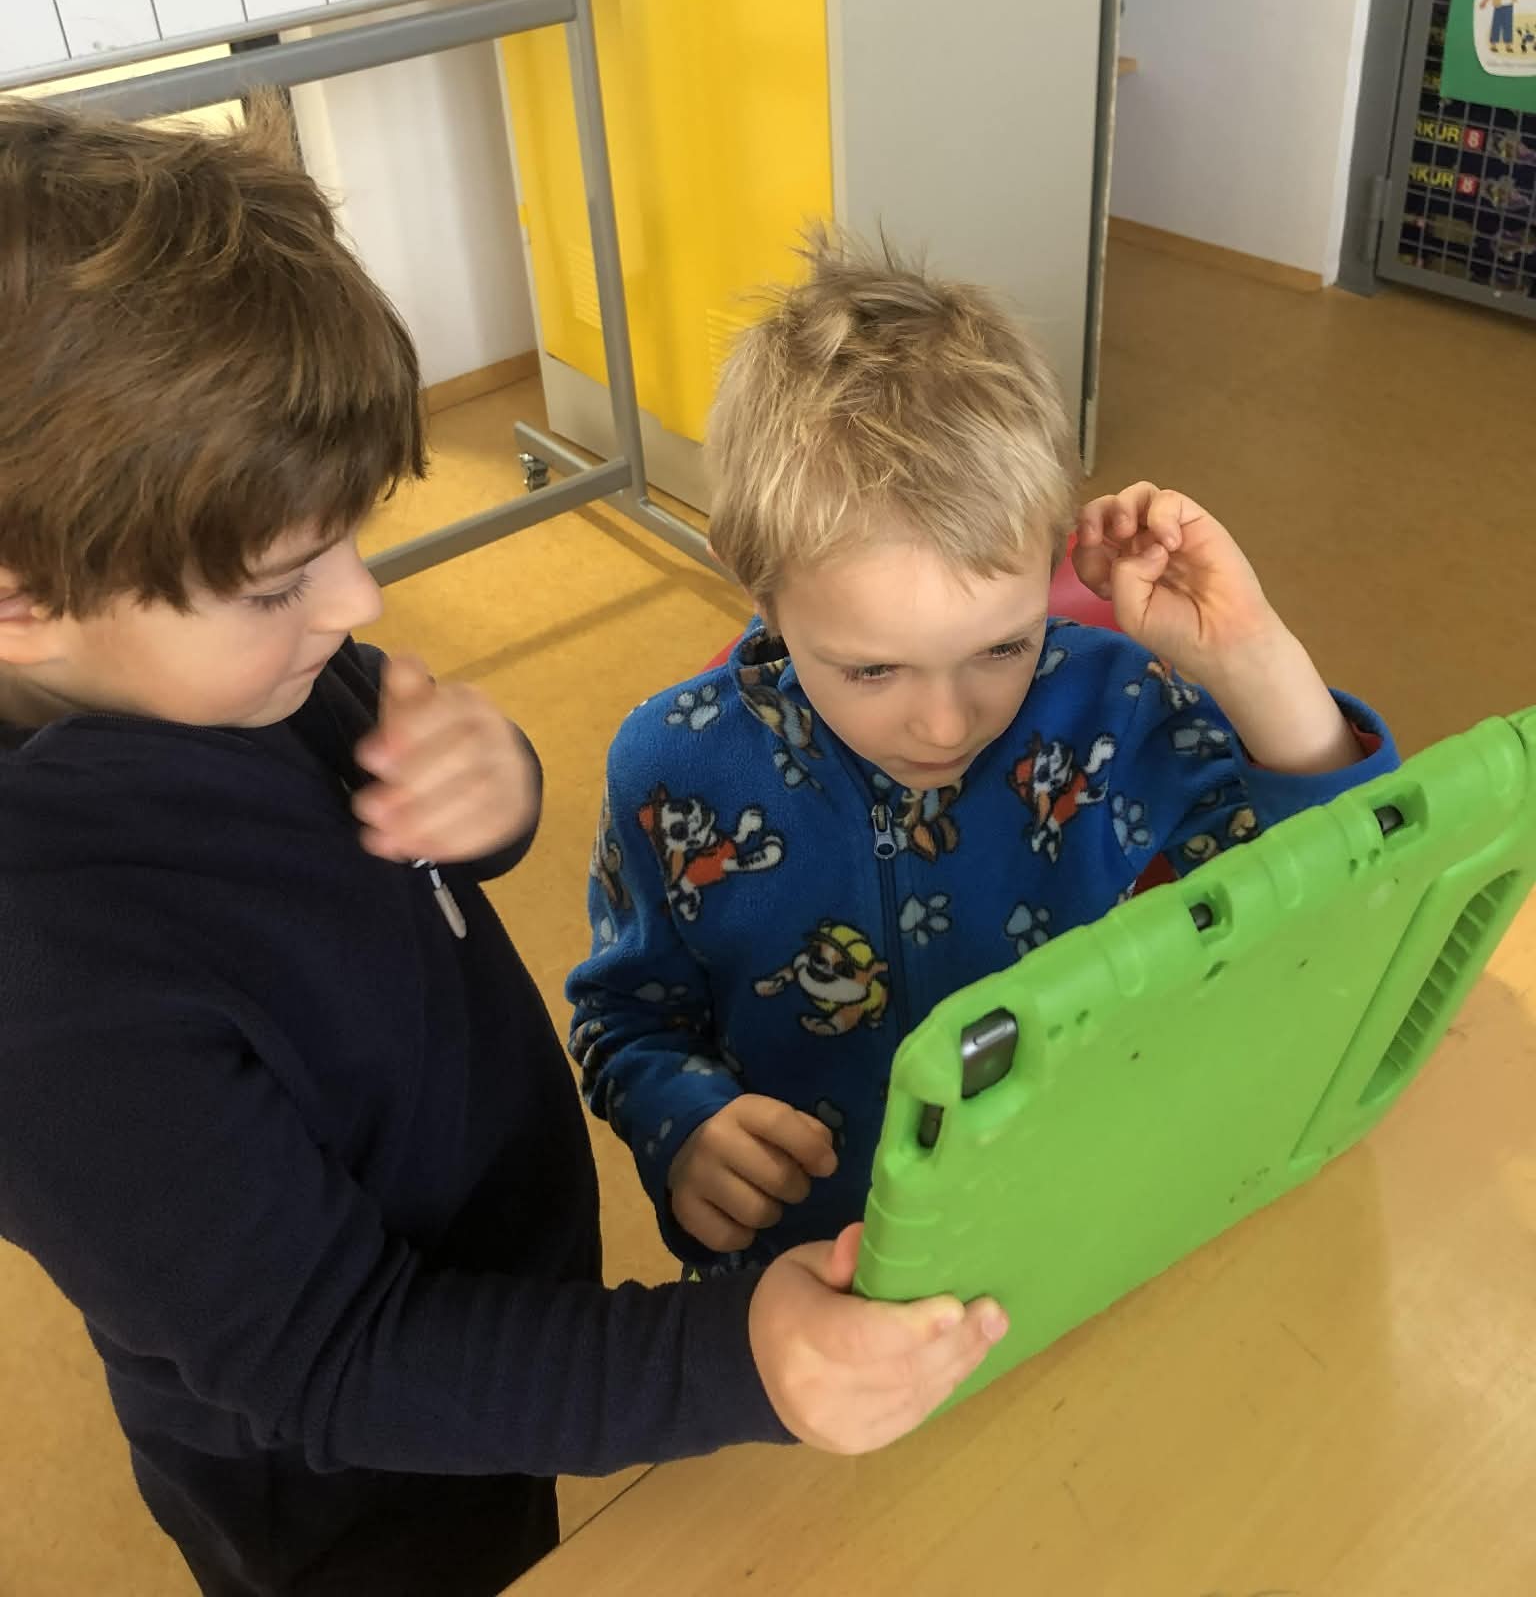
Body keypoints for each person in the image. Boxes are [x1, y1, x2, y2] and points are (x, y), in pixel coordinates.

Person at [0, 106, 1006, 1597]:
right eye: (282, 581)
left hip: (497, 1291)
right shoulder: (47, 988)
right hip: (351, 1494)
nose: (358, 605)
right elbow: (339, 1356)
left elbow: (424, 851)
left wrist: (498, 786)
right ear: (21, 599)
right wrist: (734, 1358)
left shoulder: (246, 677)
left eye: (346, 539)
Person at [569, 234, 1397, 1270]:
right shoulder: (671, 769)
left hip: (1084, 1234)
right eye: (874, 668)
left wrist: (1252, 656)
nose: (947, 725)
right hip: (817, 1279)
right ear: (752, 578)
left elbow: (1343, 882)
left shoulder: (1114, 704)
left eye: (1003, 646)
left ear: (1053, 556)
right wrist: (683, 1123)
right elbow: (623, 1015)